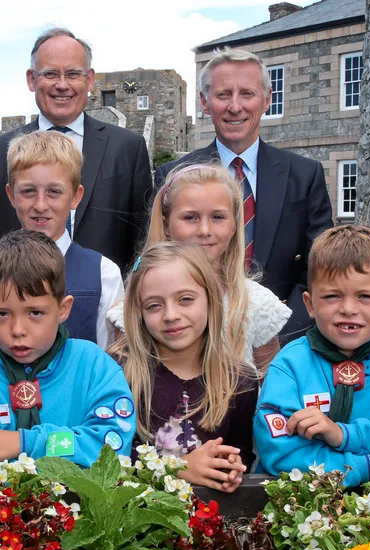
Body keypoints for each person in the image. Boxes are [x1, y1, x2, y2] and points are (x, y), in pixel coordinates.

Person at [155, 49, 332, 343]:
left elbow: (319, 267)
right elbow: (158, 262)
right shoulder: (173, 177)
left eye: (247, 94)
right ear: (204, 102)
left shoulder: (305, 175)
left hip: (283, 339)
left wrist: (280, 338)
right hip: (192, 340)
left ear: (266, 100)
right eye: (223, 94)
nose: (235, 106)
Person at [0, 230, 136, 483]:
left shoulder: (95, 368)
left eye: (34, 313)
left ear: (63, 309)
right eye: (2, 314)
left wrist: (23, 443)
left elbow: (111, 447)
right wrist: (63, 465)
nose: (18, 330)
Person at [254, 226, 370, 488]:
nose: (348, 309)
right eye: (332, 296)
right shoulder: (290, 366)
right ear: (310, 305)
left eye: (365, 297)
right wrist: (365, 467)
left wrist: (343, 435)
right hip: (299, 511)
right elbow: (279, 452)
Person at [0, 28, 153, 272]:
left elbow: (143, 243)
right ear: (31, 79)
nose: (62, 85)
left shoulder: (128, 149)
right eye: (50, 74)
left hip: (106, 301)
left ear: (89, 80)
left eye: (73, 74)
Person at [0, 130, 123, 383]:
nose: (41, 205)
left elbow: (109, 370)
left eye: (54, 192)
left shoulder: (103, 273)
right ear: (11, 195)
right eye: (29, 191)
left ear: (76, 196)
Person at [109, 163, 290, 372]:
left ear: (234, 225)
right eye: (190, 218)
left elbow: (271, 388)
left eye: (217, 217)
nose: (204, 230)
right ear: (166, 224)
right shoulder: (137, 304)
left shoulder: (256, 303)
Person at [114, 242, 257, 493]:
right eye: (154, 305)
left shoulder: (240, 381)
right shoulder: (119, 373)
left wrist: (232, 466)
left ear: (211, 300)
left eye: (185, 299)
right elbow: (111, 462)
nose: (171, 315)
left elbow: (242, 453)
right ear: (138, 313)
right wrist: (177, 467)